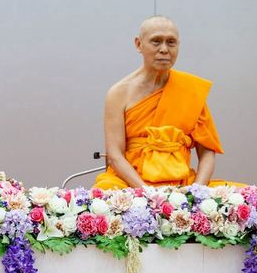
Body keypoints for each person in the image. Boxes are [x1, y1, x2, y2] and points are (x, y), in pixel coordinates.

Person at [94, 15, 238, 189]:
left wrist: (197, 191)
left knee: (243, 196)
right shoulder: (119, 93)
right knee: (104, 197)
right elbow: (114, 156)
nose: (164, 49)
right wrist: (146, 192)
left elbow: (207, 151)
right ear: (139, 44)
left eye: (171, 42)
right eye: (156, 41)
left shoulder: (190, 89)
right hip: (130, 183)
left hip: (182, 184)